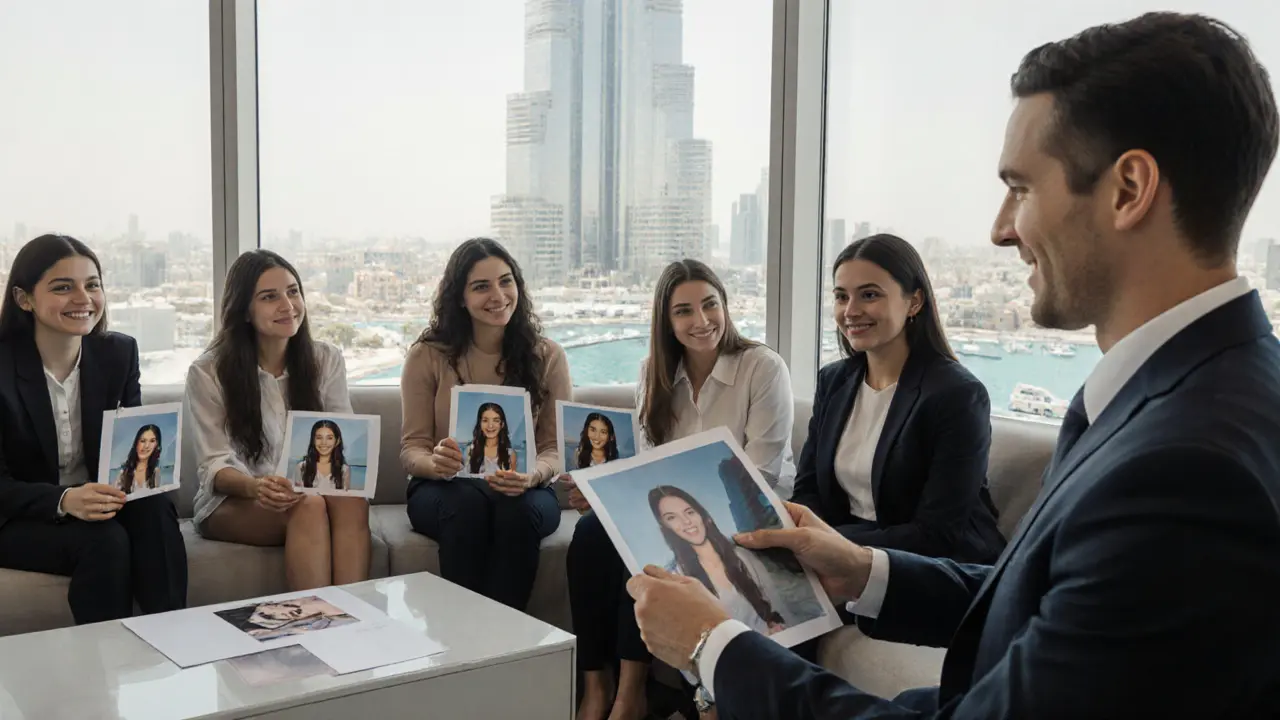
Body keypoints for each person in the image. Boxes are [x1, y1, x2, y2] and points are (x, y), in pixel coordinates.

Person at [625, 12, 1280, 718]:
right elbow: (1046, 603)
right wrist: (865, 572)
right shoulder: (1182, 399)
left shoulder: (1188, 469)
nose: (1001, 228)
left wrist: (714, 646)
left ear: (1129, 189)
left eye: (1021, 188)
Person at [564, 258, 795, 720]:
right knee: (591, 534)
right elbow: (649, 465)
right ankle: (596, 683)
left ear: (725, 307)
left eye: (710, 305)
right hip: (678, 511)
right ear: (667, 322)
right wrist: (603, 493)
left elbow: (762, 473)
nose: (701, 320)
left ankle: (631, 692)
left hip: (747, 512)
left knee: (646, 551)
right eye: (684, 311)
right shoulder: (654, 372)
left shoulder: (762, 367)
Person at [0, 234, 187, 623]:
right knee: (103, 539)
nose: (83, 299)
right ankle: (102, 670)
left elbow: (129, 450)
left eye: (92, 285)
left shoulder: (118, 353)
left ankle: (174, 637)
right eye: (63, 287)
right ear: (24, 299)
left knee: (154, 508)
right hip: (18, 515)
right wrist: (66, 500)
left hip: (96, 501)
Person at [791, 234, 1004, 564]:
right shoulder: (834, 381)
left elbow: (937, 533)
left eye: (869, 295)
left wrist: (825, 542)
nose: (851, 311)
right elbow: (808, 491)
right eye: (841, 296)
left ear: (914, 302)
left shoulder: (957, 395)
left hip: (932, 569)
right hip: (842, 554)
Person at [401, 238, 571, 611]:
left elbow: (555, 448)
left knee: (517, 511)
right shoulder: (427, 356)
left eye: (505, 281)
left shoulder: (548, 356)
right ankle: (464, 639)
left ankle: (506, 639)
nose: (498, 295)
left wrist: (532, 476)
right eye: (481, 286)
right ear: (460, 297)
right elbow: (412, 447)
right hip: (444, 489)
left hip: (526, 488)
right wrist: (435, 464)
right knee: (467, 506)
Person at [187, 249, 370, 590]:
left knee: (350, 500)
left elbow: (345, 438)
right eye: (269, 297)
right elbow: (212, 465)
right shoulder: (208, 371)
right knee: (309, 505)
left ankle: (352, 621)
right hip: (235, 500)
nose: (287, 305)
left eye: (293, 291)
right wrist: (256, 487)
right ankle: (316, 625)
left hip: (308, 492)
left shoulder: (325, 359)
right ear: (243, 309)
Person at [651, 485, 785, 636]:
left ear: (701, 515)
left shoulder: (742, 556)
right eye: (671, 517)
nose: (686, 521)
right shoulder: (678, 579)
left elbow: (778, 607)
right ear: (666, 527)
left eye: (689, 512)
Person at [295, 419, 351, 491]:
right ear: (313, 440)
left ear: (337, 441)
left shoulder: (343, 469)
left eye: (329, 438)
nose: (323, 442)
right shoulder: (302, 467)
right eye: (319, 438)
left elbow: (345, 498)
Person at [466, 402, 519, 475]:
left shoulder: (510, 455)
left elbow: (512, 483)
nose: (490, 425)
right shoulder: (470, 451)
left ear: (502, 424)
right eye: (485, 420)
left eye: (496, 420)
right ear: (480, 424)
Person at [115, 424, 163, 493]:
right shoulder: (124, 473)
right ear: (136, 443)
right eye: (143, 441)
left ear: (157, 445)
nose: (146, 446)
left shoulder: (156, 472)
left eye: (152, 441)